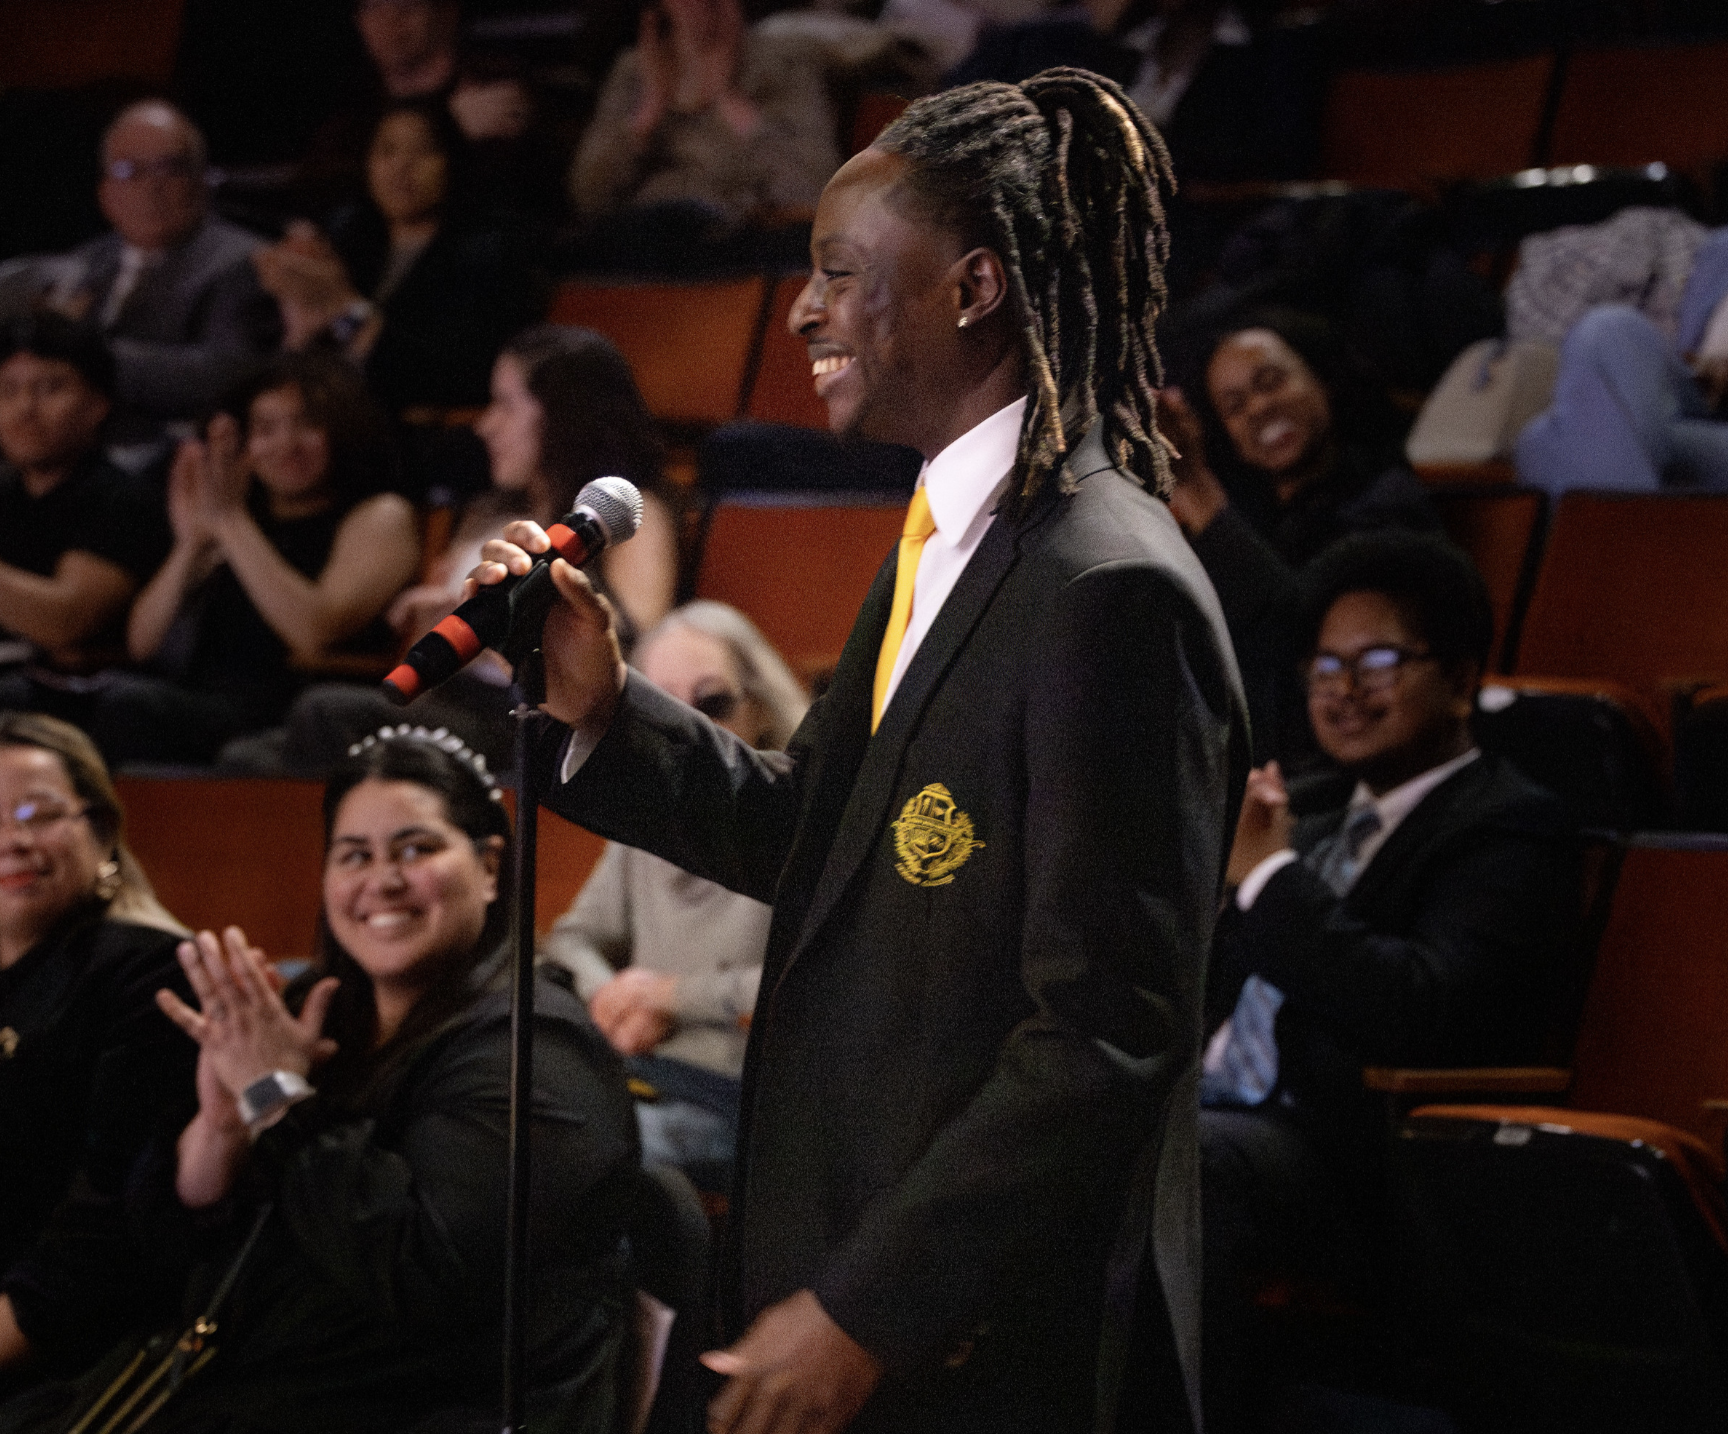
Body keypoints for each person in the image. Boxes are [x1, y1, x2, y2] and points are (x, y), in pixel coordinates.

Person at [476, 68, 1248, 1434]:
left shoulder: (1106, 583)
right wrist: (604, 709)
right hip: (836, 1240)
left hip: (974, 1336)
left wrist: (874, 1308)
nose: (803, 309)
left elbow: (1109, 1032)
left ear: (974, 285)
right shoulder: (940, 550)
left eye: (838, 270)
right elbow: (815, 838)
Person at [0, 727, 641, 1432]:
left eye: (416, 849)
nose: (383, 880)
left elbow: (419, 1274)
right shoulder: (324, 1021)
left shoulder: (536, 1049)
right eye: (354, 855)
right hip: (241, 1383)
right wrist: (220, 1129)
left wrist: (278, 1099)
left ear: (491, 867)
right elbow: (165, 1257)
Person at [1199, 530, 1579, 1431]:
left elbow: (1422, 1005)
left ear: (1459, 678)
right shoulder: (1313, 805)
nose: (1343, 688)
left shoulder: (1508, 828)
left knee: (1187, 1160)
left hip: (1357, 1158)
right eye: (1324, 665)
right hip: (1233, 1113)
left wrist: (1266, 882)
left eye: (1377, 660)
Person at [231, 325, 681, 778]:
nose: (485, 425)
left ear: (565, 414)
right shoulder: (487, 512)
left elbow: (633, 650)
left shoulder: (626, 513)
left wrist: (517, 619)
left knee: (323, 711)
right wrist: (441, 617)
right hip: (452, 700)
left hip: (533, 719)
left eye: (505, 405)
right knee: (244, 759)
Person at [542, 601, 809, 1179]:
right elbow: (573, 938)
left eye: (713, 703)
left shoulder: (801, 820)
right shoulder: (651, 811)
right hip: (640, 1073)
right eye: (661, 708)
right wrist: (611, 995)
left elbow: (820, 985)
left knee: (572, 1152)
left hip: (747, 1100)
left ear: (760, 706)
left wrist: (668, 997)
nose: (690, 728)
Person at [101, 353, 418, 766]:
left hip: (297, 709)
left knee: (177, 728)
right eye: (265, 429)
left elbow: (313, 631)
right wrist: (193, 543)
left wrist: (230, 520)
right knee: (123, 702)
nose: (287, 445)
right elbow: (143, 643)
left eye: (306, 424)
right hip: (205, 702)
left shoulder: (378, 515)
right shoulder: (235, 520)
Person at [0, 712, 191, 1392]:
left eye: (38, 813)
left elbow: (113, 1220)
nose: (13, 840)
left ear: (103, 831)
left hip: (65, 1355)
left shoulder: (149, 973)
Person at [1159, 307, 1441, 765]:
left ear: (1322, 379)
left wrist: (1193, 484)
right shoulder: (1251, 522)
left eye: (1271, 382)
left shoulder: (1389, 500)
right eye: (1234, 406)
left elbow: (1303, 637)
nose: (1259, 408)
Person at [0, 101, 279, 464]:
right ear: (105, 193)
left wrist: (85, 355)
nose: (151, 187)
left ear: (202, 180)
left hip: (162, 453)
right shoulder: (81, 262)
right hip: (58, 451)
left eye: (170, 169)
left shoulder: (245, 262)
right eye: (129, 171)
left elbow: (226, 373)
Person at [255, 99, 541, 417]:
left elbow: (449, 373)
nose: (401, 166)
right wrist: (300, 326)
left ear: (452, 162)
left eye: (423, 151)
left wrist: (344, 310)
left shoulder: (487, 250)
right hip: (332, 415)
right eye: (387, 151)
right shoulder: (349, 233)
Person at [570, 0, 928, 245]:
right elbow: (590, 198)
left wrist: (728, 99)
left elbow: (810, 189)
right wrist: (646, 118)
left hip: (742, 231)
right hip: (645, 234)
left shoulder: (782, 64)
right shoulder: (635, 71)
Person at [0, 315, 172, 688]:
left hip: (66, 691)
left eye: (49, 388)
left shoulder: (122, 499)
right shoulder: (7, 491)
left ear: (96, 405)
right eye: (8, 391)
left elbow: (64, 619)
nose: (25, 408)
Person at [1516, 227, 1728, 495]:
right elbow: (1700, 363)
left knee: (1547, 442)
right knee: (1611, 329)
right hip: (1694, 394)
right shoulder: (1718, 249)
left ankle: (1617, 530)